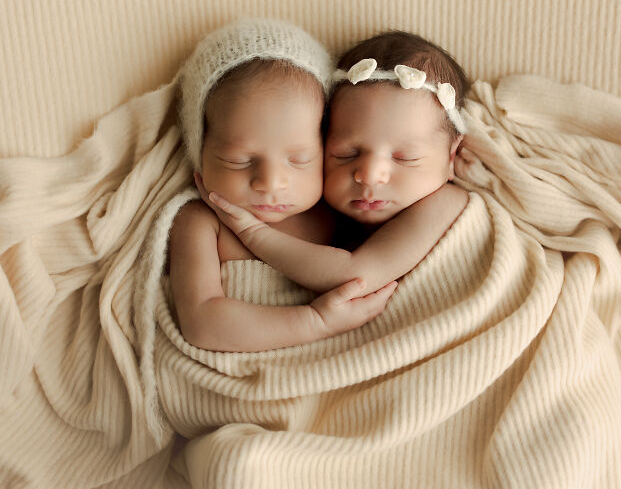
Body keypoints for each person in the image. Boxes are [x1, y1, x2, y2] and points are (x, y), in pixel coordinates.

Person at [169, 18, 398, 352]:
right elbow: (201, 324)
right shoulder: (200, 222)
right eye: (239, 160)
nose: (271, 182)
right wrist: (316, 321)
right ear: (200, 154)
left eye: (299, 159)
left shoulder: (336, 211)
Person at [200, 30, 471, 297]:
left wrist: (252, 232)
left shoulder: (446, 203)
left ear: (451, 156)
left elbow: (354, 277)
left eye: (404, 158)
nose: (368, 175)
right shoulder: (327, 219)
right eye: (346, 154)